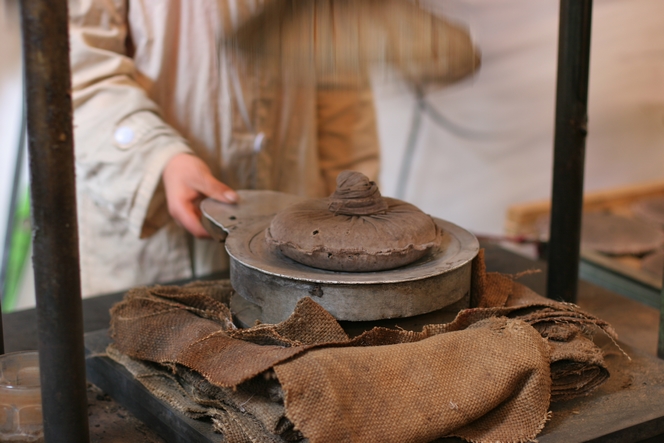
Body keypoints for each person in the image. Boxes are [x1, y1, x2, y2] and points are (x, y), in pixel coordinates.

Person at [68, 0, 478, 296]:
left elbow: (338, 89)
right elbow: (80, 71)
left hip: (287, 228)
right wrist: (160, 158)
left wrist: (353, 216)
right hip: (150, 236)